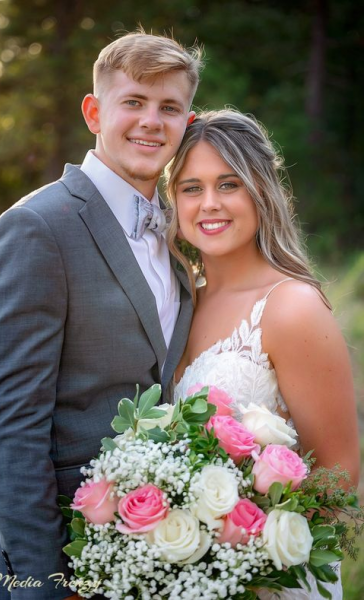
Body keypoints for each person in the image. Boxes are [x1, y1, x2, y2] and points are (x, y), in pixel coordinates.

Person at [0, 31, 202, 599]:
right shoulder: (36, 228)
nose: (151, 121)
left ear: (188, 124)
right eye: (134, 102)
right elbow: (4, 426)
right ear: (94, 112)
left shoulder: (179, 231)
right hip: (45, 559)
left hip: (147, 551)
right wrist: (45, 581)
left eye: (169, 107)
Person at [166, 109, 360, 599]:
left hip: (270, 580)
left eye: (228, 184)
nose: (209, 203)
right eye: (191, 188)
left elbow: (339, 474)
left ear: (261, 191)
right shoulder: (178, 299)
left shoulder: (290, 307)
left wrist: (242, 567)